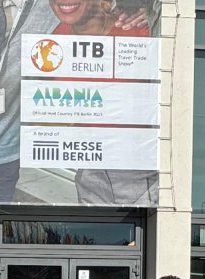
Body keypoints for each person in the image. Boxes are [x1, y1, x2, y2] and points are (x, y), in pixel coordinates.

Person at [46, 0, 156, 207]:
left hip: (139, 173)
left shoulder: (139, 30)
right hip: (90, 171)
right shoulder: (54, 41)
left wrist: (152, 15)